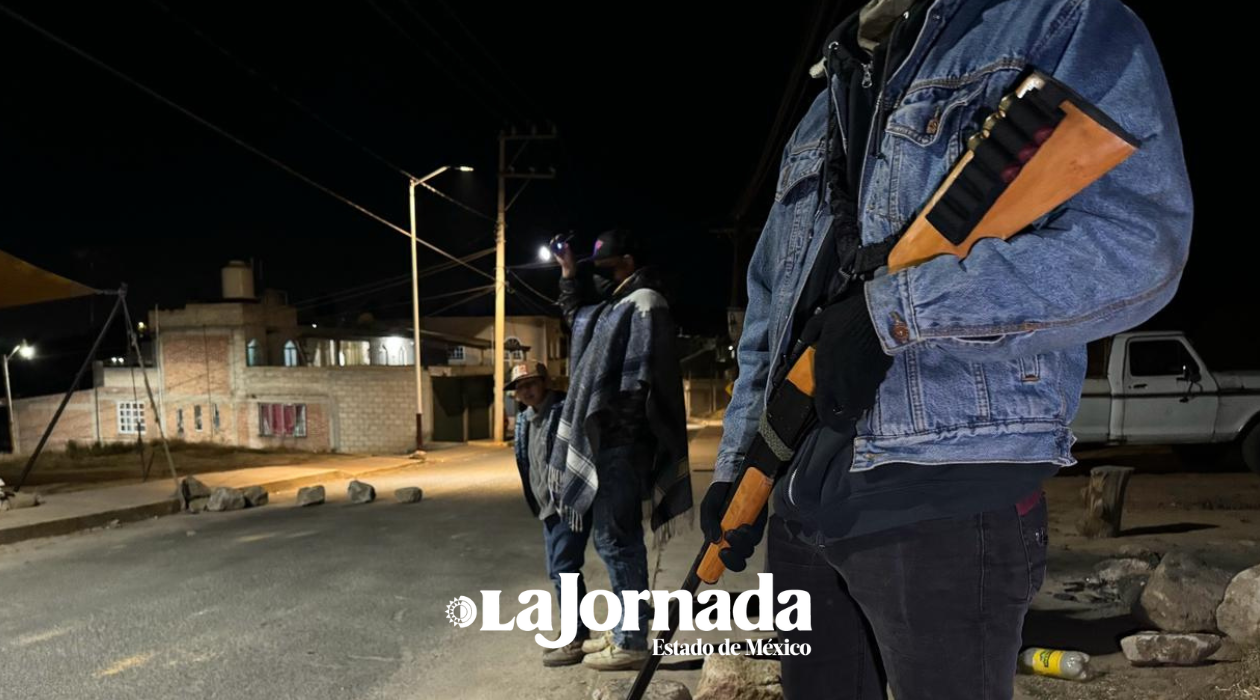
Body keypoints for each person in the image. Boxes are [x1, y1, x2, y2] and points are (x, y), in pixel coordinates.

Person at [706, 0, 1192, 697]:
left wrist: (894, 313)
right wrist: (737, 468)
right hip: (802, 505)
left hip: (945, 501)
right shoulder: (825, 104)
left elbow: (1138, 250)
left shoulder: (1058, 23)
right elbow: (770, 312)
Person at [548, 229, 693, 671]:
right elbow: (577, 319)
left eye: (605, 268)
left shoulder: (645, 303)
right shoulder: (616, 307)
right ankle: (628, 628)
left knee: (616, 538)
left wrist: (618, 440)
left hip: (622, 444)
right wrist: (568, 273)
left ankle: (631, 639)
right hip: (610, 443)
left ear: (628, 262)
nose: (601, 277)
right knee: (612, 537)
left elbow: (639, 384)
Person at [509, 360, 588, 667]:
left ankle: (576, 637)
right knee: (558, 572)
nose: (526, 391)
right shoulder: (524, 420)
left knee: (565, 570)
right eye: (520, 387)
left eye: (531, 383)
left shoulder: (564, 411)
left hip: (567, 504)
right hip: (546, 509)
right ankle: (573, 632)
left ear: (545, 382)